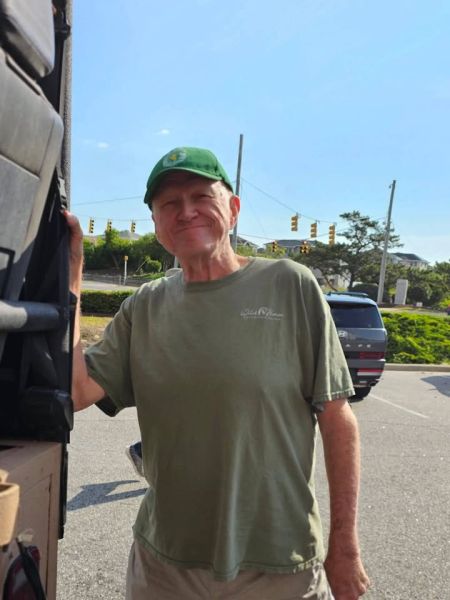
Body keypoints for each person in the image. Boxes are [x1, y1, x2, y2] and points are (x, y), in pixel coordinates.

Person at [66, 146, 370, 599]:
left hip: (277, 565)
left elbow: (337, 416)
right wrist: (71, 273)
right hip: (165, 567)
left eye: (201, 196)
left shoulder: (290, 284)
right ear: (157, 225)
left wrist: (344, 544)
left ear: (233, 208)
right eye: (169, 203)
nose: (186, 211)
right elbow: (76, 391)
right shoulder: (143, 308)